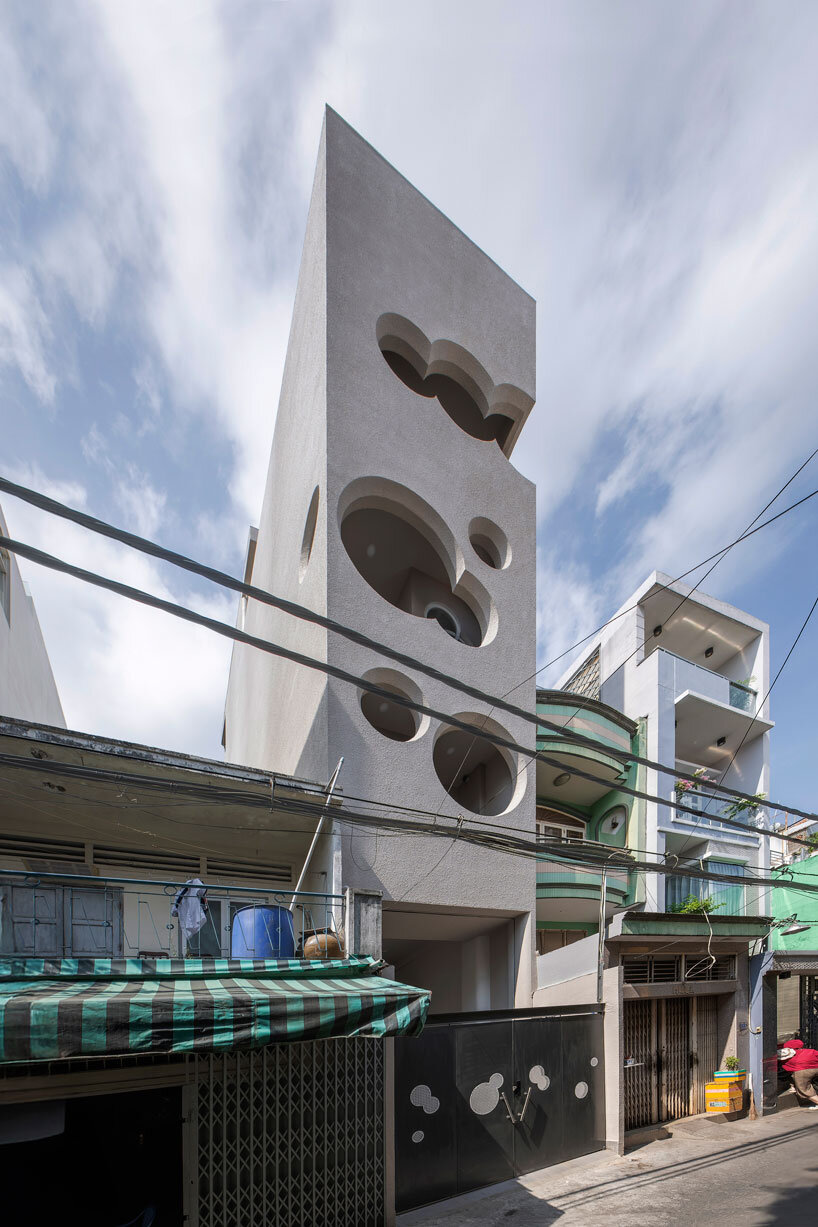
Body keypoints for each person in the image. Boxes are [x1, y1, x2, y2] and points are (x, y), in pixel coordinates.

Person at [778, 1038, 818, 1108]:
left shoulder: (787, 1054)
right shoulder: (811, 1051)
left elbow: (786, 1069)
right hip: (816, 1068)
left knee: (804, 1090)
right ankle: (794, 1087)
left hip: (801, 1071)